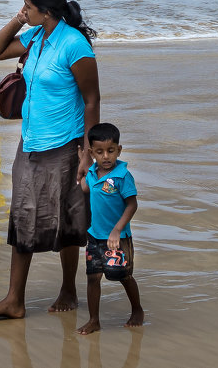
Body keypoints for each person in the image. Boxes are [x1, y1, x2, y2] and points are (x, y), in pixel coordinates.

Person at [0, 0, 100, 320]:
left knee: (70, 220)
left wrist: (87, 152)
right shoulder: (35, 36)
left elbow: (92, 100)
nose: (24, 10)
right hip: (30, 142)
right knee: (23, 217)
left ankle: (69, 289)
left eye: (28, 6)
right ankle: (14, 300)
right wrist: (18, 19)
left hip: (66, 144)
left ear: (46, 11)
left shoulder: (74, 45)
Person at [76, 122, 144, 334]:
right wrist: (82, 170)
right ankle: (94, 320)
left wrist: (117, 229)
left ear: (119, 150)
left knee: (122, 275)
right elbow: (86, 188)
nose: (106, 156)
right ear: (92, 153)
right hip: (95, 236)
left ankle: (137, 309)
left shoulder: (123, 176)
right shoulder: (94, 172)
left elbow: (132, 204)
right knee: (93, 277)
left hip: (118, 238)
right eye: (100, 152)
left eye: (111, 151)